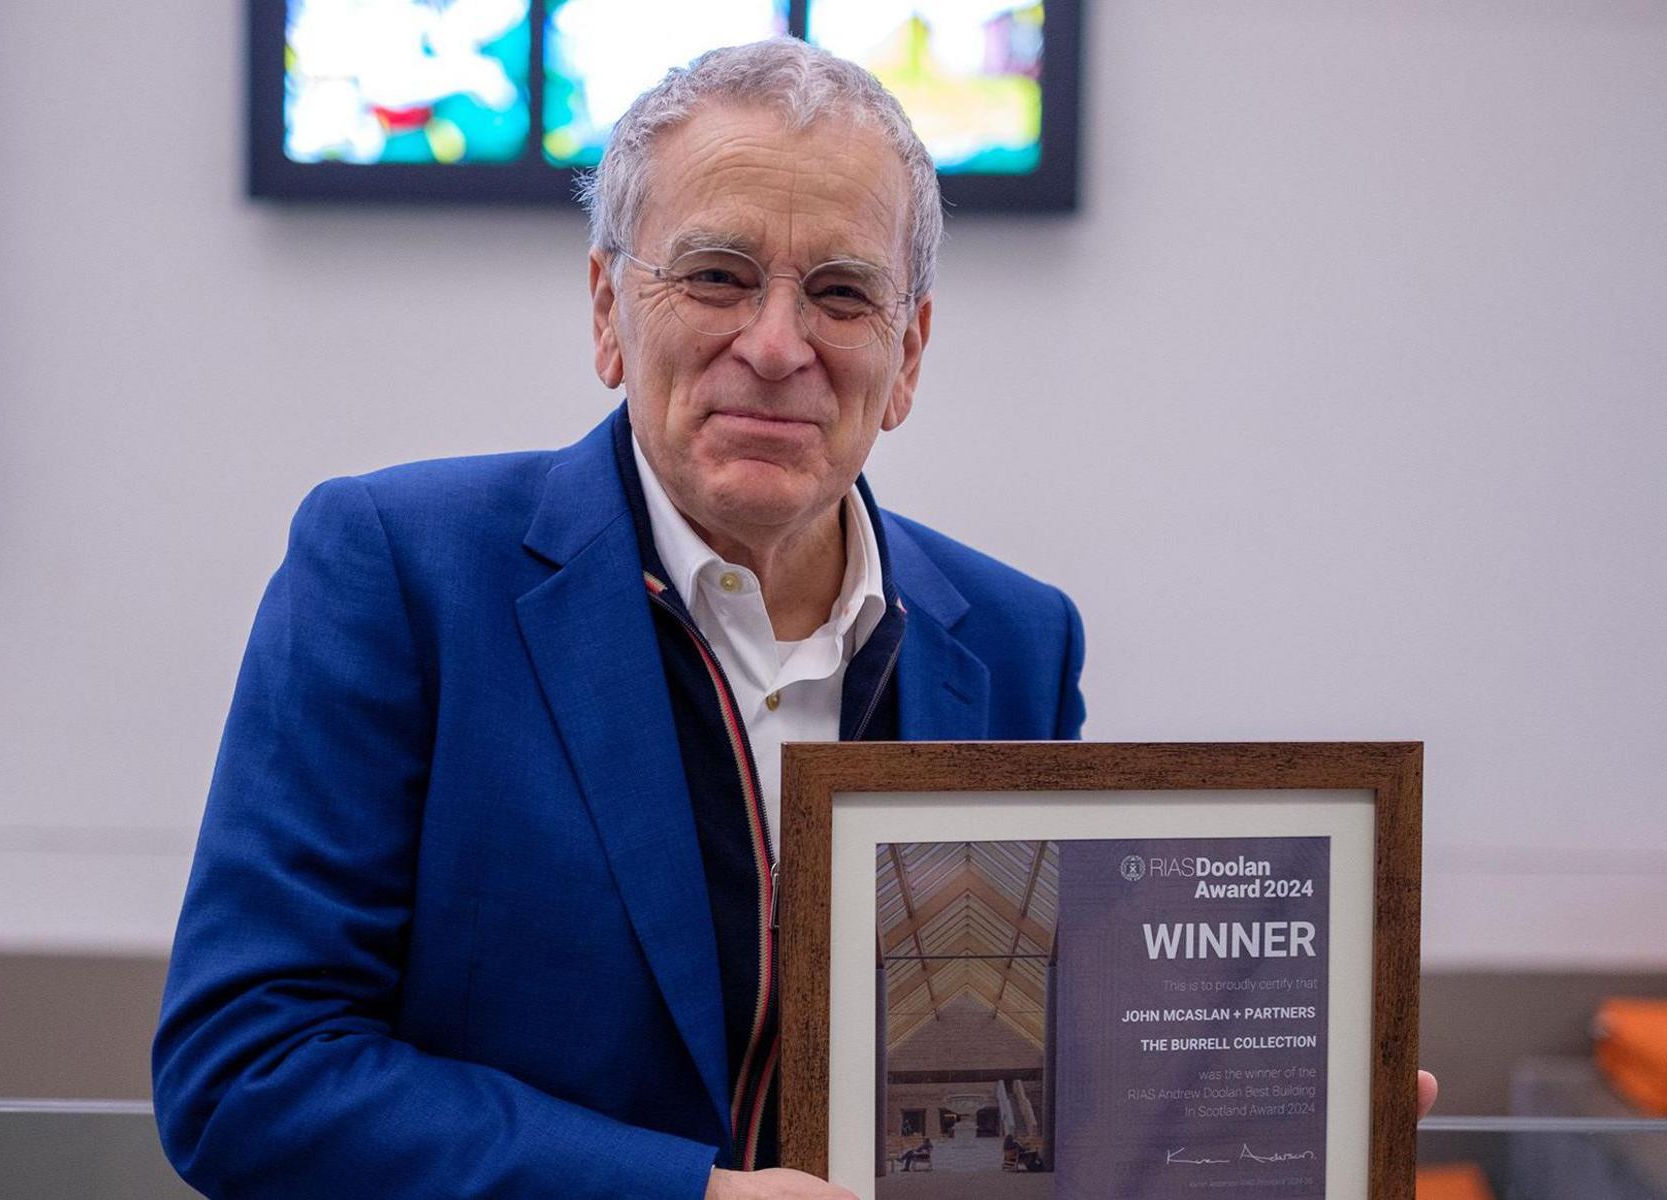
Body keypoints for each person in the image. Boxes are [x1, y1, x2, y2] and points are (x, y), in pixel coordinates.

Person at [152, 36, 1432, 1200]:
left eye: (839, 293)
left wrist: (1278, 1118)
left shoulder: (1017, 645)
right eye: (715, 275)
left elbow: (1033, 1097)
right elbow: (248, 1073)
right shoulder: (401, 571)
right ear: (607, 310)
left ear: (910, 352)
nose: (775, 344)